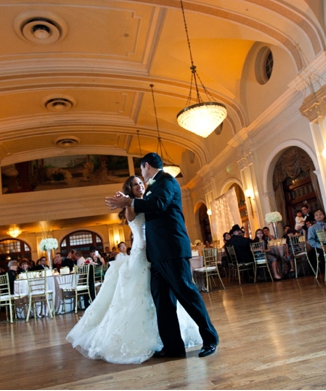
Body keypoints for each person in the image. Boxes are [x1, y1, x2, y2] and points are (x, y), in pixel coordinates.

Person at [68, 175, 202, 364]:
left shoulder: (150, 199)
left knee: (161, 296)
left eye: (140, 183)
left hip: (158, 250)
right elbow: (131, 217)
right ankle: (147, 338)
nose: (139, 186)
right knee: (142, 295)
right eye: (134, 184)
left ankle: (169, 337)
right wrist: (128, 202)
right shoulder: (131, 204)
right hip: (142, 252)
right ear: (130, 189)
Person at [105, 153, 219, 359]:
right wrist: (129, 203)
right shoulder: (152, 188)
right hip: (156, 255)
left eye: (141, 170)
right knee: (163, 302)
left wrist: (129, 201)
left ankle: (210, 338)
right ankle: (173, 346)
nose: (141, 175)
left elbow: (158, 205)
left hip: (172, 250)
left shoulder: (167, 181)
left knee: (187, 294)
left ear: (145, 166)